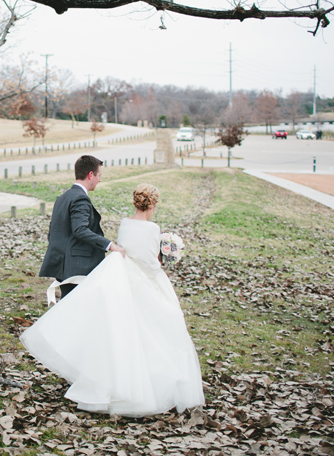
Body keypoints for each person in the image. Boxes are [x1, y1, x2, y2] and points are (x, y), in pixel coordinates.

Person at [21, 183, 205, 417]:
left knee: (122, 334)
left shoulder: (125, 223)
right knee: (156, 327)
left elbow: (128, 250)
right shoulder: (152, 229)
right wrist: (162, 264)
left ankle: (113, 382)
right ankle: (146, 386)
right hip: (142, 281)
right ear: (154, 204)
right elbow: (149, 264)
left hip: (123, 280)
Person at [39, 155, 125, 297]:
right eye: (99, 175)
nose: (100, 179)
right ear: (90, 175)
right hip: (77, 267)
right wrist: (110, 245)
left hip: (62, 265)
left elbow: (54, 231)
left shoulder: (63, 197)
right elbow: (80, 230)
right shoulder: (80, 198)